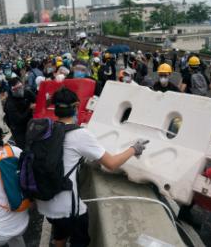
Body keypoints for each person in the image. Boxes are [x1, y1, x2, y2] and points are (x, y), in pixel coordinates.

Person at [35, 87, 149, 247]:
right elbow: (112, 164)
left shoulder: (46, 129)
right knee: (80, 241)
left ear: (56, 109)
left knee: (60, 234)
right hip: (67, 207)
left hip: (44, 200)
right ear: (75, 107)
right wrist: (134, 149)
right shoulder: (80, 135)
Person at [3, 78, 36, 149]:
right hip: (18, 129)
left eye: (21, 87)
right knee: (24, 148)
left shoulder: (27, 92)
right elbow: (18, 119)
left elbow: (37, 100)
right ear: (11, 90)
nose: (20, 90)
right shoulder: (10, 103)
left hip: (29, 123)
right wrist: (29, 109)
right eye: (16, 89)